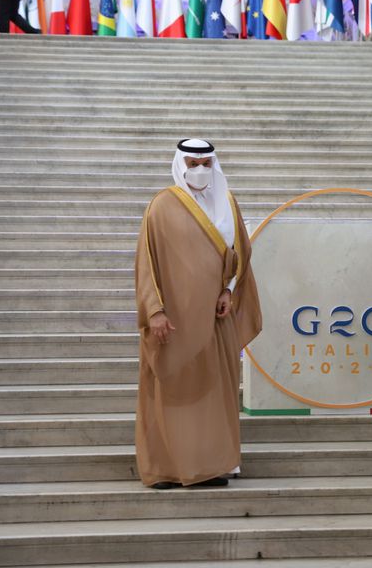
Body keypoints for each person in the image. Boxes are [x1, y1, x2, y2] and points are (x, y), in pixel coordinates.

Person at [134, 139, 262, 489]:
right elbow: (147, 262)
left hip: (214, 318)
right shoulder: (162, 206)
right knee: (170, 392)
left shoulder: (227, 202)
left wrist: (228, 290)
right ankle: (165, 469)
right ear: (182, 165)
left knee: (213, 394)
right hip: (173, 320)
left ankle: (211, 466)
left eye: (206, 164)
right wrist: (154, 311)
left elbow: (240, 253)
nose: (200, 170)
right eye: (193, 164)